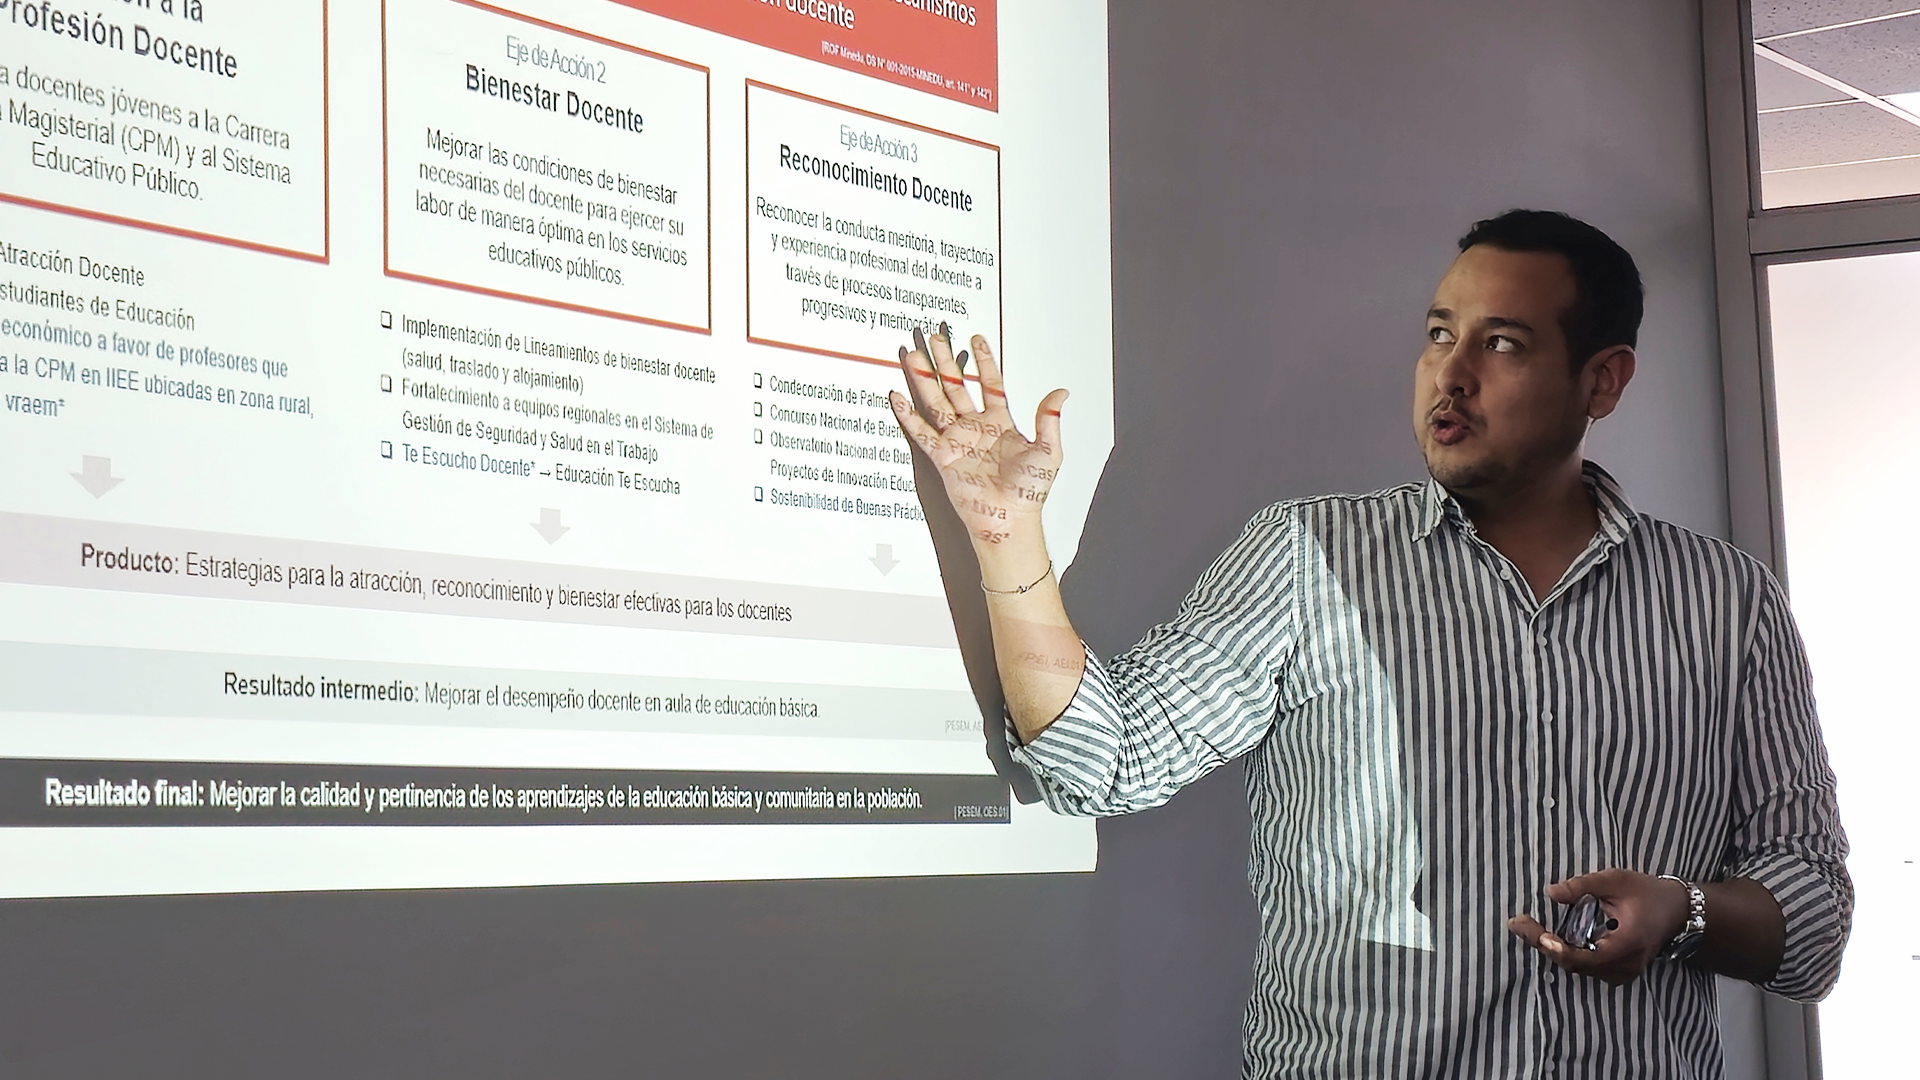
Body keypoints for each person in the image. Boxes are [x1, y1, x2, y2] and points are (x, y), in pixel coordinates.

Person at [888, 210, 1851, 1079]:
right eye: (1438, 334)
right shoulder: (1305, 559)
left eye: (1502, 343)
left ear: (1603, 380)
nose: (1451, 374)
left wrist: (1683, 913)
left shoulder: (1726, 602)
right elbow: (1105, 759)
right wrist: (1007, 534)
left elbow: (1812, 919)